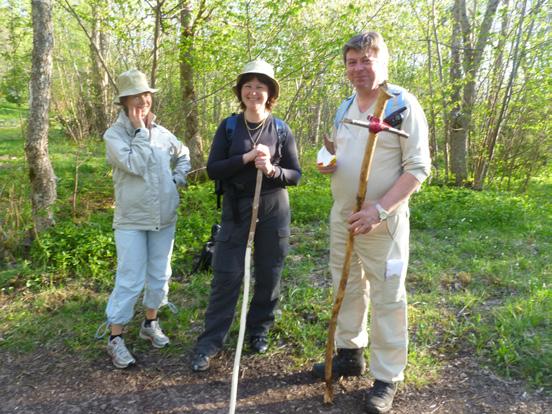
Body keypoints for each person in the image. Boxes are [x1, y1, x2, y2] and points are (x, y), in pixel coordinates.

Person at [312, 32, 431, 414]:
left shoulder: (400, 105)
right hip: (343, 217)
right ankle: (350, 352)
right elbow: (339, 150)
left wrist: (379, 209)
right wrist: (328, 158)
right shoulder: (345, 106)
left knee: (387, 297)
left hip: (383, 223)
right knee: (346, 287)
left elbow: (418, 168)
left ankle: (387, 376)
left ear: (383, 61)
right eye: (352, 61)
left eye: (367, 59)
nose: (359, 68)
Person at [191, 60, 301, 372]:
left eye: (260, 86)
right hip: (236, 209)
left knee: (269, 273)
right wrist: (246, 158)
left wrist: (271, 169)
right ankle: (210, 341)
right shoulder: (229, 127)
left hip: (273, 208)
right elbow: (213, 169)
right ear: (241, 92)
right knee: (227, 275)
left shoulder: (281, 129)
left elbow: (295, 175)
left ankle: (258, 330)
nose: (253, 91)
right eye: (248, 86)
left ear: (270, 93)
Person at [98, 69, 191, 369]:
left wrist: (177, 180)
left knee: (159, 274)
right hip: (131, 220)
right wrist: (139, 130)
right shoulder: (114, 136)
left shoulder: (164, 134)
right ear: (124, 102)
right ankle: (115, 338)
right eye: (135, 97)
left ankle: (150, 323)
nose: (142, 101)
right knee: (130, 279)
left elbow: (184, 153)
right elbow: (135, 164)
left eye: (146, 95)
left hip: (164, 217)